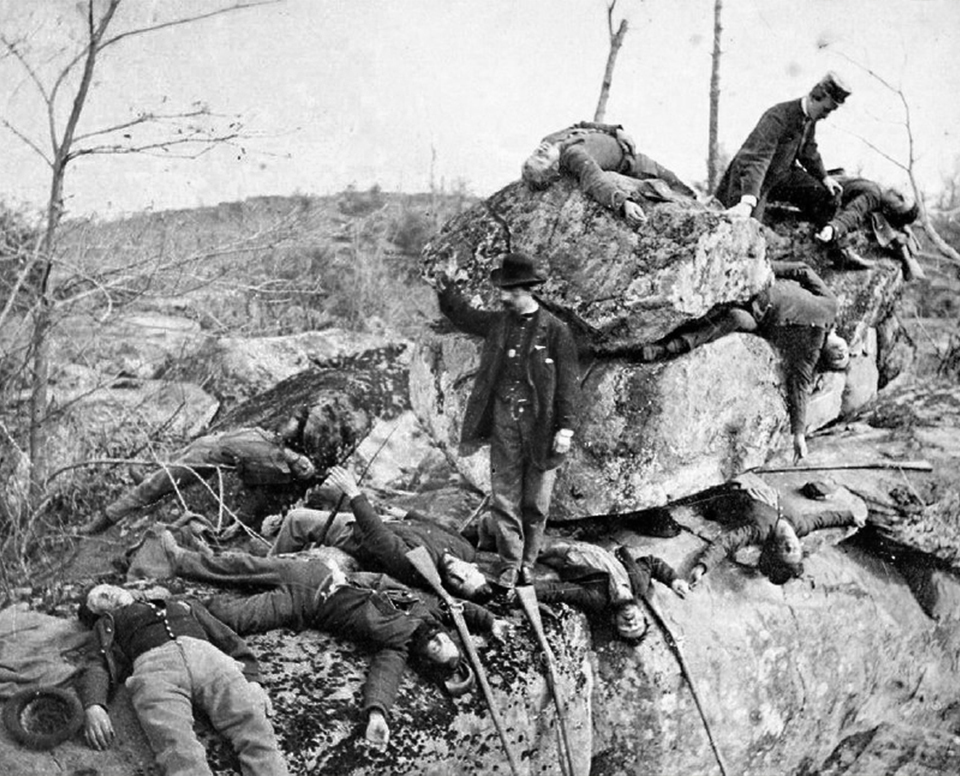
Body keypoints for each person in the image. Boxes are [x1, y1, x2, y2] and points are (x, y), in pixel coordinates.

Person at [150, 533, 508, 747]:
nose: (439, 644)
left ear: (425, 658)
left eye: (436, 652)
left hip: (307, 604)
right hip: (319, 574)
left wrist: (377, 714)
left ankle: (177, 606)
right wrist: (491, 621)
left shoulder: (396, 648)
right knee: (243, 566)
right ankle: (181, 559)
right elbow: (451, 605)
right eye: (446, 643)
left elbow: (383, 680)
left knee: (238, 618)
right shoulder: (422, 606)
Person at [437, 252, 582, 590]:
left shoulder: (556, 331)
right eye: (503, 290)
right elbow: (463, 316)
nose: (503, 297)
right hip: (504, 420)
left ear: (527, 290)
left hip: (542, 426)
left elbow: (568, 384)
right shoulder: (498, 323)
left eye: (510, 291)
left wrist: (565, 429)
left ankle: (528, 563)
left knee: (536, 500)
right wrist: (446, 290)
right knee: (504, 495)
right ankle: (510, 563)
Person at [628, 261, 849, 463]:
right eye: (845, 354)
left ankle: (666, 348)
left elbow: (800, 388)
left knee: (734, 317)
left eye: (837, 361)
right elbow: (803, 270)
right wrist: (768, 267)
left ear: (824, 360)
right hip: (759, 285)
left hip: (755, 316)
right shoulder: (830, 305)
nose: (840, 355)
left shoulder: (809, 353)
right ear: (843, 339)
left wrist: (798, 434)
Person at [77, 584, 289, 776]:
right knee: (176, 747)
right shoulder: (107, 623)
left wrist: (252, 680)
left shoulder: (180, 603)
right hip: (155, 669)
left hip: (208, 657)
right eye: (101, 597)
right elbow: (96, 662)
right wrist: (94, 704)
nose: (110, 593)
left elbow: (226, 636)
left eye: (107, 588)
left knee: (254, 724)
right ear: (97, 613)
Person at [267, 466, 494, 601]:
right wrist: (406, 514)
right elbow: (435, 527)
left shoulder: (421, 567)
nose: (457, 574)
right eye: (467, 574)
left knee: (297, 519)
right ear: (474, 567)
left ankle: (265, 570)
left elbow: (378, 536)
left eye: (457, 583)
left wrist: (353, 492)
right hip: (390, 522)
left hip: (358, 534)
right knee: (329, 492)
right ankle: (280, 527)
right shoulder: (466, 549)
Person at [81, 422, 316, 535]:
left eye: (303, 469)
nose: (302, 464)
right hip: (208, 443)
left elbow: (255, 498)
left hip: (204, 459)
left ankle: (102, 522)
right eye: (304, 462)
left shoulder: (274, 468)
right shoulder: (277, 438)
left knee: (150, 488)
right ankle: (149, 480)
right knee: (163, 472)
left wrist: (237, 525)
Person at [715, 72, 853, 248]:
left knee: (828, 195)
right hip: (751, 180)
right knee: (749, 234)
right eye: (826, 109)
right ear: (815, 98)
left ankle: (832, 247)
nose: (826, 116)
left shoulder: (810, 118)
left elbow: (808, 150)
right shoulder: (778, 116)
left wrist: (824, 177)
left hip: (781, 176)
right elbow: (757, 159)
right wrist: (747, 202)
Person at [687, 473, 867, 586]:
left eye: (785, 550)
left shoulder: (760, 530)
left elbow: (727, 542)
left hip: (730, 491)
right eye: (795, 550)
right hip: (752, 482)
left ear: (773, 548)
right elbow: (823, 520)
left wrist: (702, 566)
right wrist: (850, 517)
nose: (791, 545)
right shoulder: (800, 525)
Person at [521, 121, 697, 225]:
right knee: (675, 185)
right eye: (542, 158)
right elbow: (594, 179)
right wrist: (623, 202)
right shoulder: (573, 155)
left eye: (535, 154)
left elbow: (580, 125)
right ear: (555, 168)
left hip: (623, 143)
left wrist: (615, 130)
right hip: (632, 163)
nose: (540, 150)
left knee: (677, 183)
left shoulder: (549, 140)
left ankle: (700, 201)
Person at [524, 535, 688, 640]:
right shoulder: (639, 584)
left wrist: (527, 593)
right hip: (603, 541)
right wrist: (674, 581)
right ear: (641, 613)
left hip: (565, 551)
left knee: (524, 541)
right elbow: (652, 563)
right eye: (637, 623)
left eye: (626, 628)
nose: (631, 622)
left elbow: (560, 591)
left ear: (614, 621)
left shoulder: (597, 598)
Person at [815, 176, 924, 279]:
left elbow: (855, 212)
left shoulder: (874, 197)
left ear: (888, 210)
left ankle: (843, 253)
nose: (899, 193)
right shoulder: (876, 192)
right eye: (904, 196)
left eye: (900, 199)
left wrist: (835, 227)